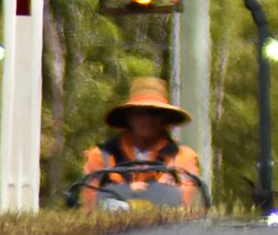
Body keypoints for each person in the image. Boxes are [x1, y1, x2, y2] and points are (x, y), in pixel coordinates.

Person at [79, 77, 204, 210]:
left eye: (156, 113)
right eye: (141, 112)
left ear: (166, 118)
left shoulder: (183, 157)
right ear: (129, 116)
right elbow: (91, 204)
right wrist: (130, 191)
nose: (149, 119)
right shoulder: (100, 156)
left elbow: (185, 203)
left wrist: (126, 194)